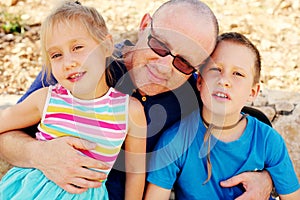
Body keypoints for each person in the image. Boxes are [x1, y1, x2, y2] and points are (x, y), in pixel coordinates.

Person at [0, 0, 274, 199]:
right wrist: (40, 154)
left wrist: (268, 179)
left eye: (184, 61)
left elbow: (252, 125)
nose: (165, 66)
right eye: (160, 46)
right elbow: (6, 134)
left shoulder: (193, 95)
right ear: (144, 25)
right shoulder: (79, 66)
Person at [0, 1, 146, 199]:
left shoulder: (130, 110)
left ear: (106, 46)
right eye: (57, 55)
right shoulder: (46, 100)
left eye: (77, 47)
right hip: (31, 192)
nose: (69, 62)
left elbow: (136, 173)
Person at [145, 32, 300, 200]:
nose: (224, 80)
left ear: (253, 92)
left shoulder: (267, 140)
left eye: (238, 74)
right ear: (199, 82)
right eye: (216, 69)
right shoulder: (175, 141)